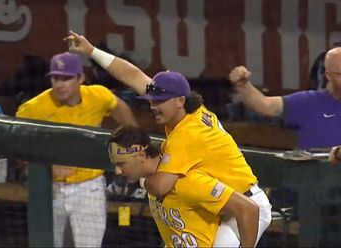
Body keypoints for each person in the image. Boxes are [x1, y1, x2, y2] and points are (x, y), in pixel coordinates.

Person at [64, 31, 272, 247]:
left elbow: (161, 186)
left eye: (160, 101)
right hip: (217, 203)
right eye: (152, 101)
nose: (153, 106)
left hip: (244, 208)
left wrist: (141, 177)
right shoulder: (192, 108)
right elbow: (133, 75)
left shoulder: (186, 134)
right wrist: (92, 52)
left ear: (180, 100)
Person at [15, 52, 137, 247]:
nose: (60, 84)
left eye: (67, 78)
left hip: (89, 187)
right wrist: (46, 166)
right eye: (56, 78)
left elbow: (119, 107)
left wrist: (132, 144)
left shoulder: (97, 96)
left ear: (80, 78)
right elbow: (15, 146)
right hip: (50, 188)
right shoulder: (34, 108)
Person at [108, 125, 260, 247]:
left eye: (121, 164)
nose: (118, 171)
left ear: (141, 156)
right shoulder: (150, 183)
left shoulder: (187, 181)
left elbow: (249, 208)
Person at [228, 47, 341, 150]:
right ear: (328, 75)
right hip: (314, 171)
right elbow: (264, 106)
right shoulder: (309, 102)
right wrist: (243, 85)